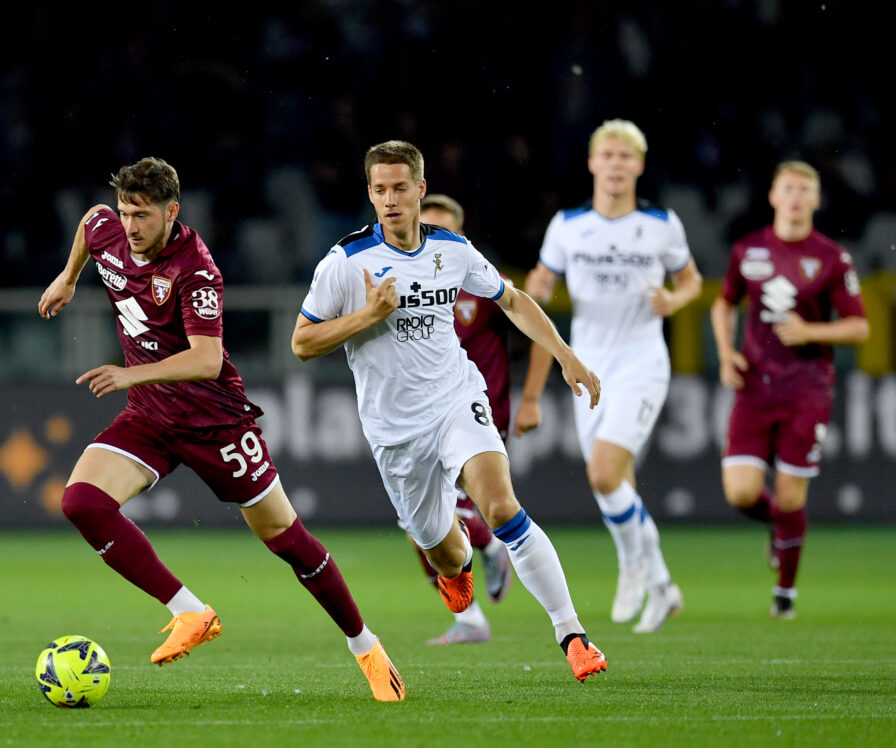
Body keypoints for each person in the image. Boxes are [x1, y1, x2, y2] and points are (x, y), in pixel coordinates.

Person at [37, 157, 404, 702]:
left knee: (290, 542)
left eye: (142, 215)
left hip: (216, 422)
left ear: (172, 212)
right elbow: (92, 221)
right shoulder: (108, 231)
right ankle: (190, 612)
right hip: (151, 416)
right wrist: (68, 276)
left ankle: (367, 648)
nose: (130, 226)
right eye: (126, 212)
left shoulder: (196, 268)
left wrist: (128, 373)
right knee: (82, 503)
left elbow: (207, 359)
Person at [291, 140, 607, 682]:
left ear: (419, 189)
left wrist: (566, 354)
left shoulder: (452, 250)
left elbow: (510, 299)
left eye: (399, 188)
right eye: (379, 189)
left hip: (456, 398)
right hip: (395, 432)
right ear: (370, 194)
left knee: (502, 508)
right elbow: (302, 342)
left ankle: (573, 635)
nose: (390, 200)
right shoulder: (345, 262)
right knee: (442, 554)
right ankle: (457, 565)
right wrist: (367, 315)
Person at [524, 119, 701, 633]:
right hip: (588, 365)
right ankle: (664, 587)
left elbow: (690, 281)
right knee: (615, 486)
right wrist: (533, 391)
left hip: (642, 361)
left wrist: (675, 298)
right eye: (609, 155)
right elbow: (540, 294)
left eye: (627, 156)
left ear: (639, 166)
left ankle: (632, 569)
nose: (618, 164)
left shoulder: (662, 223)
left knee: (603, 473)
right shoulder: (568, 225)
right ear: (593, 163)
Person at [710, 160, 868, 619]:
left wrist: (811, 332)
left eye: (805, 189)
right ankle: (779, 529)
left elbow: (859, 327)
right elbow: (723, 306)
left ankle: (785, 596)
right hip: (754, 387)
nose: (796, 197)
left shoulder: (833, 258)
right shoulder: (749, 251)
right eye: (788, 188)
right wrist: (725, 354)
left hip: (807, 389)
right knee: (741, 494)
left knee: (793, 497)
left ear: (817, 200)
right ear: (774, 197)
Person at [409, 193, 543, 645]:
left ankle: (491, 545)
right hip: (422, 415)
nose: (437, 239)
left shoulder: (480, 283)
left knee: (466, 512)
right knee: (420, 530)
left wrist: (532, 398)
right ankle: (471, 618)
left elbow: (529, 317)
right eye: (428, 228)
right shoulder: (403, 284)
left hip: (477, 411)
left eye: (448, 230)